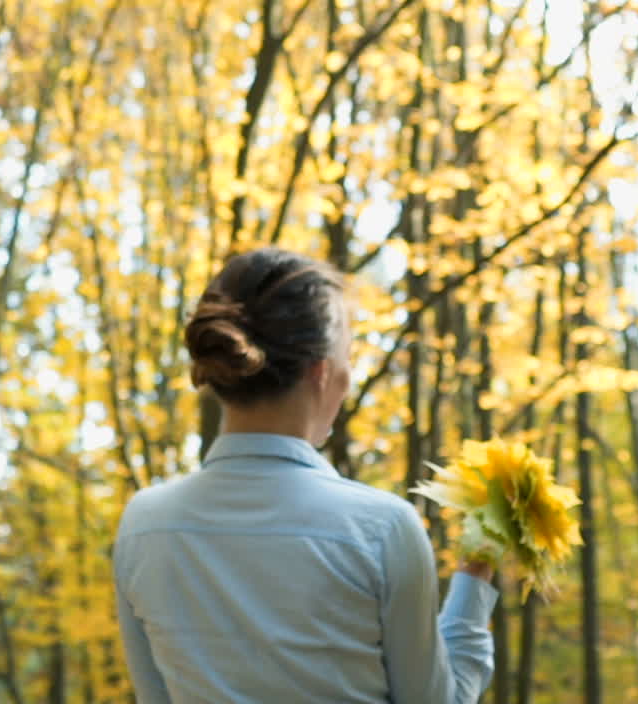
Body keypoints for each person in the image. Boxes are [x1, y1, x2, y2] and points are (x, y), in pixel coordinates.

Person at [112, 247, 499, 703]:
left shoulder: (144, 524)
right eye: (348, 358)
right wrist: (475, 579)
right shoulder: (382, 529)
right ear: (320, 373)